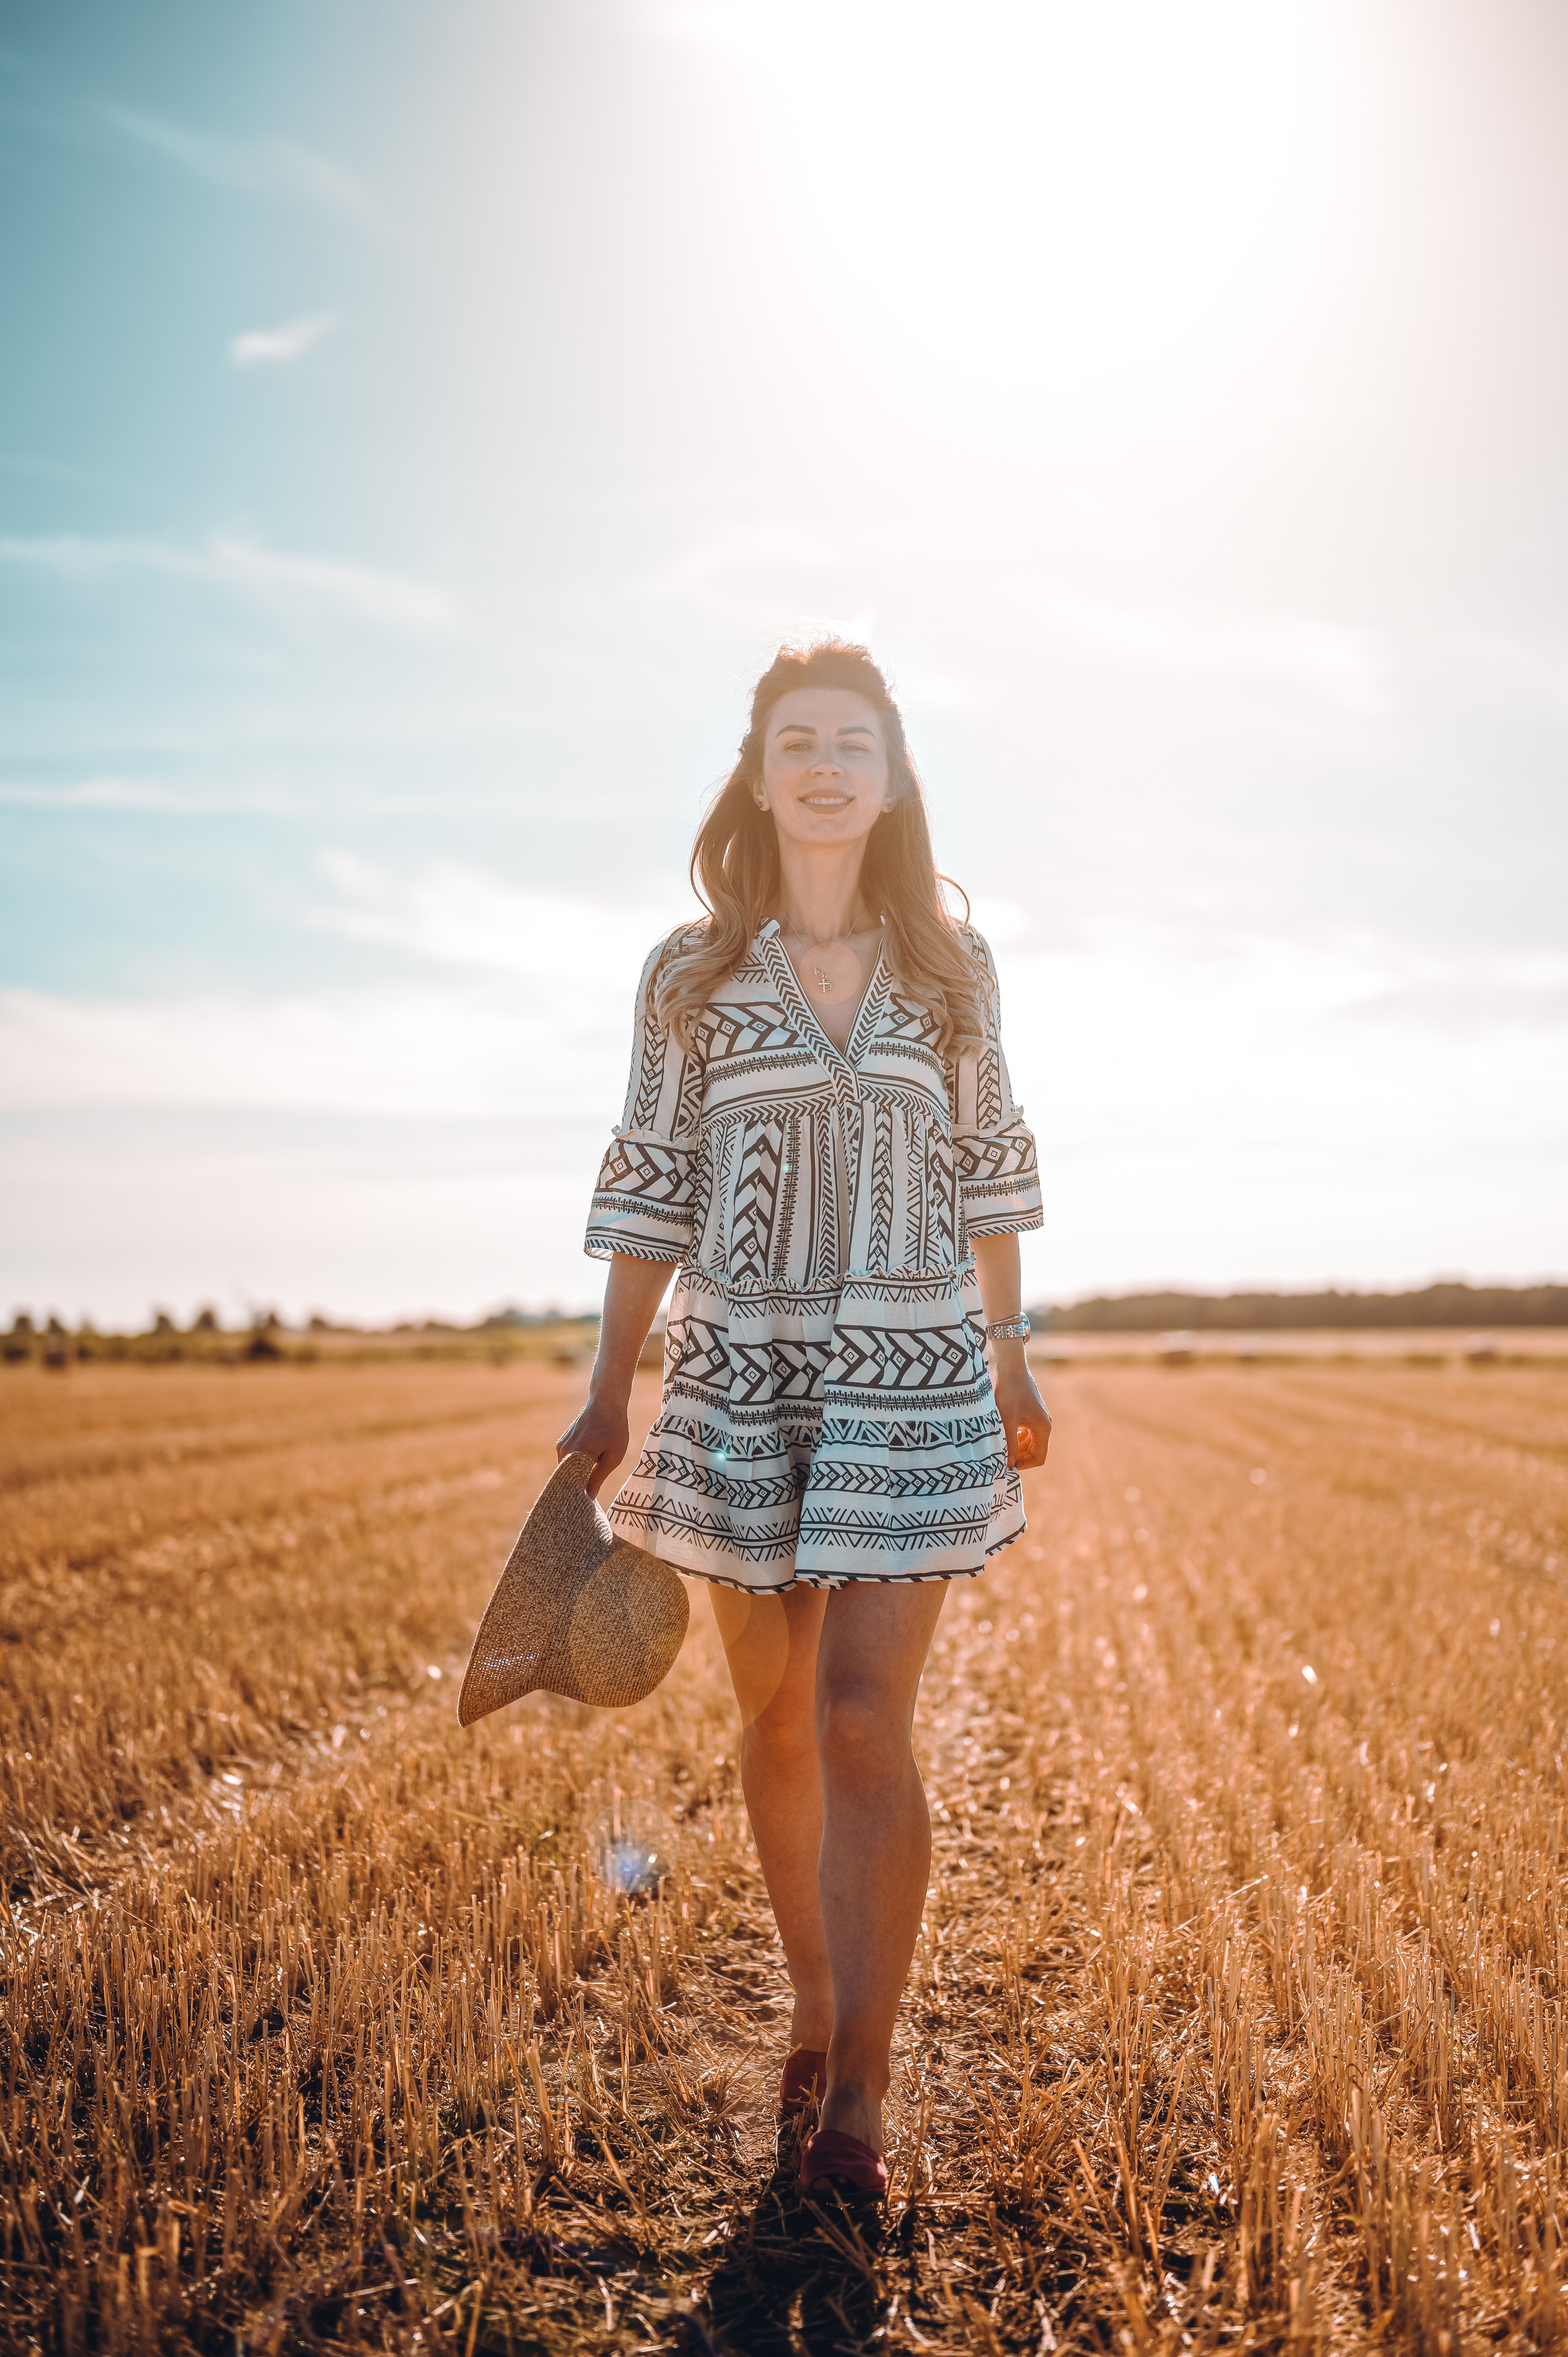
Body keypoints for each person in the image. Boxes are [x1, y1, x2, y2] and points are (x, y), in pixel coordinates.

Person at [559, 640, 1051, 2196]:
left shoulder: (950, 973)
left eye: (853, 740)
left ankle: (860, 2094)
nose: (825, 763)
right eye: (796, 740)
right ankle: (817, 1993)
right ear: (759, 773)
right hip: (738, 1380)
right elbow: (650, 1179)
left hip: (911, 1383)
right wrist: (604, 1384)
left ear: (893, 776)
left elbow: (990, 1163)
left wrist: (1011, 1346)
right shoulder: (688, 974)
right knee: (772, 1717)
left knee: (858, 1720)